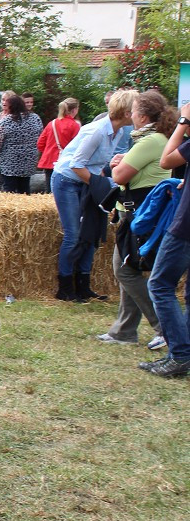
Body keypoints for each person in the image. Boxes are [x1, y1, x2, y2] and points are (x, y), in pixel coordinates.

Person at [98, 91, 175, 349]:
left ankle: (164, 328)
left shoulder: (149, 141)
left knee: (124, 270)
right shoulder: (154, 139)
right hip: (140, 212)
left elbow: (119, 176)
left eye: (132, 111)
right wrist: (119, 164)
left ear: (142, 116)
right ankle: (124, 331)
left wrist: (115, 164)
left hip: (139, 214)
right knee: (128, 269)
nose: (129, 115)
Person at [51, 89, 136, 302]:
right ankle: (65, 287)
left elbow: (96, 164)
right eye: (135, 110)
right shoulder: (97, 131)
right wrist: (100, 185)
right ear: (126, 113)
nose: (137, 114)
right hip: (67, 181)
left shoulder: (118, 132)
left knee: (91, 232)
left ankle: (83, 285)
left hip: (86, 181)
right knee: (74, 234)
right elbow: (76, 165)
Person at [140, 103, 190, 378]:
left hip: (186, 226)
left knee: (159, 285)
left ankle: (180, 355)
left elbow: (166, 159)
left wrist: (183, 122)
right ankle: (181, 355)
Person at [0, 95, 43, 194]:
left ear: (11, 107)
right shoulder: (35, 118)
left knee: (9, 189)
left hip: (9, 162)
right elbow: (40, 136)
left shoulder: (6, 121)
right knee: (25, 187)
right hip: (29, 160)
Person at [37, 98, 81, 192]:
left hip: (49, 161)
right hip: (65, 163)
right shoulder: (74, 126)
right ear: (74, 110)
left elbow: (40, 144)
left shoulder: (51, 124)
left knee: (49, 190)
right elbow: (77, 146)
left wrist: (49, 151)